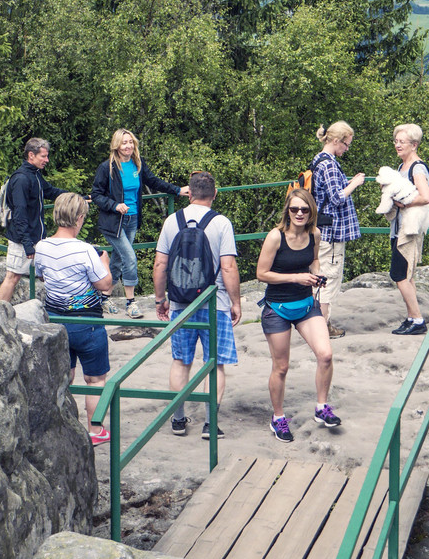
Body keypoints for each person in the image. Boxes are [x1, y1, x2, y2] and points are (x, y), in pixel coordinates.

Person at [152, 171, 240, 440]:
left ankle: (178, 420)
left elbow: (160, 265)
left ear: (189, 193)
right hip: (215, 302)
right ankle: (209, 424)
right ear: (214, 194)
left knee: (181, 362)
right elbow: (228, 266)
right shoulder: (221, 223)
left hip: (181, 303)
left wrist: (160, 300)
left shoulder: (171, 221)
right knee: (214, 364)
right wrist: (235, 301)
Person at [256, 188, 340, 443]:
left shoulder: (314, 234)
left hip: (305, 304)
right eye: (294, 209)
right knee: (281, 367)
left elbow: (313, 260)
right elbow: (261, 273)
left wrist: (317, 274)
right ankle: (278, 418)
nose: (299, 214)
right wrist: (296, 277)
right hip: (278, 308)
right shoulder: (275, 237)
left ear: (311, 211)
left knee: (326, 354)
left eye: (304, 209)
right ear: (287, 211)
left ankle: (321, 407)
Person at [33, 193, 114, 446]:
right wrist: (105, 262)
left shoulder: (41, 247)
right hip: (88, 323)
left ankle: (65, 426)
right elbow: (104, 284)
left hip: (56, 321)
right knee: (95, 380)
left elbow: (42, 276)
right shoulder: (86, 250)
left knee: (64, 376)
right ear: (79, 218)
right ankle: (96, 429)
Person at [91, 129, 190, 319]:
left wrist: (177, 190)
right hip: (114, 222)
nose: (128, 146)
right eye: (124, 143)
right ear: (116, 146)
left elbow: (153, 181)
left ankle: (104, 297)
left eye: (130, 142)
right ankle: (131, 303)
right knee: (129, 258)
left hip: (132, 219)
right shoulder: (107, 168)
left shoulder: (138, 163)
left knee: (118, 259)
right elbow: (96, 194)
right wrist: (114, 205)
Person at [310, 121, 365, 339]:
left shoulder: (318, 160)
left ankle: (318, 325)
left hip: (321, 229)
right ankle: (323, 328)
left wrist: (346, 182)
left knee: (320, 275)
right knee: (328, 278)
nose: (347, 149)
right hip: (330, 233)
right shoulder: (330, 165)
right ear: (336, 141)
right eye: (346, 145)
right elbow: (336, 198)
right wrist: (355, 183)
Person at [0, 137, 70, 303]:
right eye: (43, 156)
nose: (47, 160)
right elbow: (19, 213)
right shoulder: (22, 179)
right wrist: (27, 244)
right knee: (12, 276)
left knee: (49, 273)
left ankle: (59, 308)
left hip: (37, 237)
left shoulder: (35, 175)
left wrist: (75, 197)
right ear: (31, 155)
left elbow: (51, 191)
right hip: (23, 239)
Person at [389, 123, 429, 336]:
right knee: (407, 274)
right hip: (399, 228)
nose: (397, 145)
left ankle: (417, 320)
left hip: (409, 230)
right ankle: (411, 317)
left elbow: (426, 197)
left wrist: (403, 203)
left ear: (414, 145)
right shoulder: (402, 167)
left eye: (402, 142)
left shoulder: (417, 168)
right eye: (396, 141)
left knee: (399, 275)